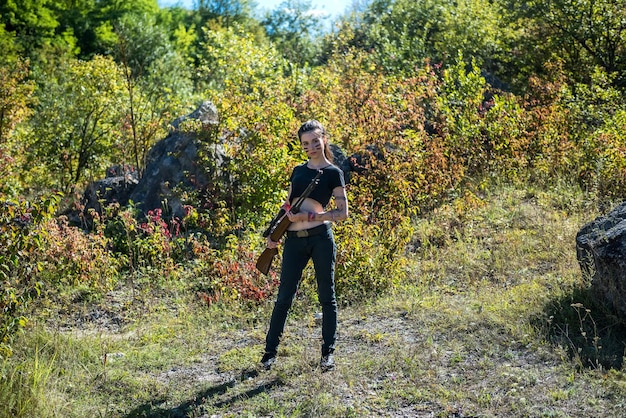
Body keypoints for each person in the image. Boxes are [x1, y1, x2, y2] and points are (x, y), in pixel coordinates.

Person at [261, 120, 348, 371]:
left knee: (326, 297)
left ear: (324, 139)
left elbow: (342, 214)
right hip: (293, 242)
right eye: (305, 143)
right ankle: (269, 354)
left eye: (314, 141)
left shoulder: (333, 172)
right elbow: (288, 205)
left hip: (321, 239)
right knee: (283, 298)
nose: (310, 147)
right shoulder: (298, 171)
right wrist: (273, 233)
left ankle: (327, 354)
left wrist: (308, 218)